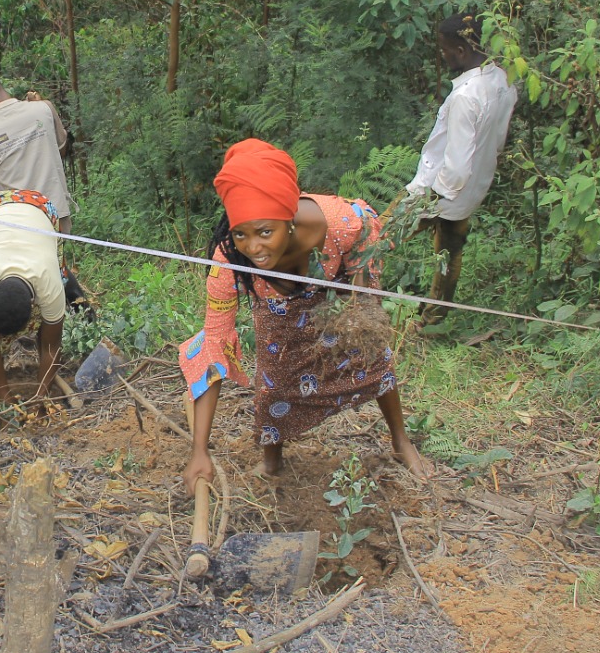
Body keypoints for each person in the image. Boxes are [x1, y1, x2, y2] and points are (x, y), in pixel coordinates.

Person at [179, 139, 431, 497]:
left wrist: (360, 304)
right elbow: (213, 346)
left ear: (289, 220)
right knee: (273, 384)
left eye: (266, 232)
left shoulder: (338, 222)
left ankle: (401, 441)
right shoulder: (228, 262)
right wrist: (199, 450)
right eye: (241, 233)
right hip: (276, 309)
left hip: (335, 287)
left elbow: (365, 234)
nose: (253, 248)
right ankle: (272, 460)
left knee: (372, 358)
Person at [403, 12, 518, 323]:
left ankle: (357, 302)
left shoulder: (465, 98)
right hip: (472, 191)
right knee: (450, 255)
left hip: (438, 191)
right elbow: (497, 141)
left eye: (444, 49)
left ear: (462, 51)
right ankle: (432, 322)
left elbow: (455, 167)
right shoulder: (504, 81)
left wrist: (427, 201)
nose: (443, 55)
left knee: (378, 237)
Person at [0, 65, 89, 309]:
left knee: (29, 272)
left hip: (15, 223)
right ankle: (71, 314)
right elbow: (60, 148)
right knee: (52, 267)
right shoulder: (43, 109)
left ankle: (67, 312)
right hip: (55, 214)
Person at [0, 189, 66, 413]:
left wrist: (41, 396)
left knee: (49, 329)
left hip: (41, 206)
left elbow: (53, 348)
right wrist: (5, 398)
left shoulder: (50, 285)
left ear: (34, 304)